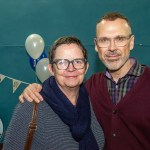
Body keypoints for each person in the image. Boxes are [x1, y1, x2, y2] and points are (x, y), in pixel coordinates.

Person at [19, 12, 150, 150]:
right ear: (96, 45)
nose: (112, 48)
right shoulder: (91, 86)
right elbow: (64, 88)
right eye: (104, 40)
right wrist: (35, 88)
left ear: (132, 42)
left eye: (120, 39)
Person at [3, 36, 105, 150]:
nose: (71, 68)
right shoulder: (30, 106)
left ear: (86, 68)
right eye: (62, 62)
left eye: (78, 61)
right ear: (51, 69)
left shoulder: (91, 101)